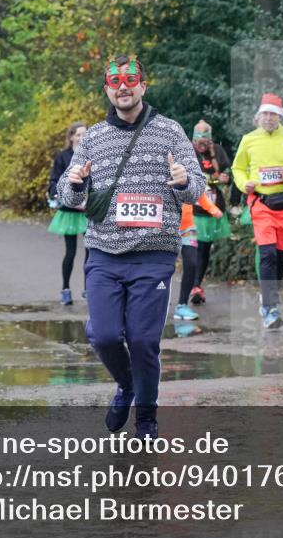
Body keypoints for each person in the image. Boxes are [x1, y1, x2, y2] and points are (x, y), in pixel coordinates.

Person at [57, 55, 206, 439]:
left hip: (153, 256)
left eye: (130, 80)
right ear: (107, 89)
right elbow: (67, 196)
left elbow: (197, 189)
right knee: (104, 335)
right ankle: (127, 385)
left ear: (143, 85)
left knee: (142, 341)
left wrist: (183, 181)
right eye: (115, 81)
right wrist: (75, 183)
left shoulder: (170, 131)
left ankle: (146, 419)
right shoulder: (93, 137)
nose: (123, 87)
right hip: (104, 254)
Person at [231, 93, 283, 329]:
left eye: (273, 114)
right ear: (258, 116)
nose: (269, 118)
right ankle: (270, 308)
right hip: (261, 204)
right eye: (265, 114)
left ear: (280, 117)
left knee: (278, 257)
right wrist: (244, 183)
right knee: (267, 254)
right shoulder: (249, 140)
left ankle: (268, 296)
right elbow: (237, 168)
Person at [188, 120, 233, 304]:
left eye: (205, 142)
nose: (202, 146)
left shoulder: (218, 151)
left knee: (204, 248)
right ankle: (191, 285)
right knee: (192, 248)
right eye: (199, 142)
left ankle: (197, 285)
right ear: (193, 140)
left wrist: (226, 178)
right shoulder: (187, 151)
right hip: (192, 209)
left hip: (212, 209)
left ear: (210, 140)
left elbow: (229, 174)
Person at [48, 122, 89, 305]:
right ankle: (65, 289)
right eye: (78, 135)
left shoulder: (92, 156)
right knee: (70, 252)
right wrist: (56, 194)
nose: (81, 138)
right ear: (71, 137)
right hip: (69, 212)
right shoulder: (63, 157)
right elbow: (54, 181)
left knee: (91, 252)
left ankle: (89, 289)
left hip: (88, 212)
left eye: (85, 134)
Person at [174, 192, 223, 321]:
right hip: (165, 227)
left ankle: (182, 305)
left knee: (192, 263)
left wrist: (213, 209)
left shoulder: (188, 178)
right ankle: (153, 303)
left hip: (187, 226)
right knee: (163, 267)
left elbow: (198, 192)